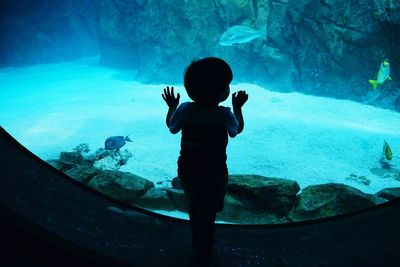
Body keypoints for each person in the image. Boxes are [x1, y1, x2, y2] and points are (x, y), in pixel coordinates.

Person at [162, 57, 248, 266]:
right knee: (209, 208)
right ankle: (206, 249)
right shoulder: (224, 114)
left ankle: (196, 242)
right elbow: (237, 131)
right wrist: (238, 108)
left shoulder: (184, 109)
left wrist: (171, 106)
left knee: (195, 203)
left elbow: (172, 127)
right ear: (222, 92)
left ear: (190, 90)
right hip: (215, 170)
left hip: (188, 168)